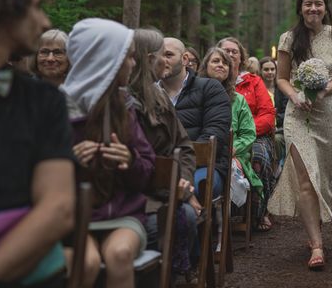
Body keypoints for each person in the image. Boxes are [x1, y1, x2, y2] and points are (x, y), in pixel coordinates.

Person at [0, 0, 74, 286]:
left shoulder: (43, 102)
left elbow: (58, 208)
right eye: (36, 7)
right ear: (5, 8)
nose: (44, 23)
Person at [63, 18, 156, 288]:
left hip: (123, 215)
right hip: (75, 214)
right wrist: (71, 162)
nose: (134, 63)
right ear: (106, 61)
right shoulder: (59, 111)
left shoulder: (124, 109)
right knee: (86, 261)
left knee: (120, 254)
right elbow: (36, 173)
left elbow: (147, 172)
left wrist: (130, 160)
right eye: (127, 56)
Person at [267, 0, 332, 270]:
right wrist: (295, 95)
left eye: (318, 4)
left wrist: (323, 90)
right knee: (305, 178)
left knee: (324, 178)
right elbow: (281, 78)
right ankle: (316, 245)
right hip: (298, 115)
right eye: (307, 4)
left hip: (329, 115)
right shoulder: (289, 38)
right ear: (300, 8)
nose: (313, 9)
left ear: (325, 7)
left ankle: (316, 222)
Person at [127, 28, 199, 280]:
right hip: (138, 196)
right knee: (167, 223)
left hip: (168, 191)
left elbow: (185, 146)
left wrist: (185, 181)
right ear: (148, 59)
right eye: (162, 55)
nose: (166, 61)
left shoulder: (159, 96)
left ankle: (169, 277)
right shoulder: (122, 100)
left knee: (187, 217)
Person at [159, 37, 231, 199]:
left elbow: (215, 135)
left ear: (185, 59)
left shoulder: (210, 88)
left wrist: (179, 165)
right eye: (158, 56)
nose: (162, 60)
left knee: (192, 187)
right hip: (159, 165)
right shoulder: (150, 92)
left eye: (168, 55)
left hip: (203, 166)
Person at [217, 37, 276, 232]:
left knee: (258, 157)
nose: (231, 54)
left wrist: (246, 129)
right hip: (221, 136)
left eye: (235, 51)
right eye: (226, 50)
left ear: (241, 56)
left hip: (256, 135)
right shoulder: (211, 80)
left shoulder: (253, 82)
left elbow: (268, 114)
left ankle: (259, 211)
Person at [199, 47, 263, 202]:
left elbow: (249, 134)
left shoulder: (238, 99)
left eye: (225, 63)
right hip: (200, 151)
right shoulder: (195, 94)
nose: (221, 65)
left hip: (233, 153)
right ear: (205, 66)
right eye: (215, 61)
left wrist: (233, 148)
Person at [259, 56, 289, 171]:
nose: (270, 72)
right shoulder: (257, 89)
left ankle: (276, 167)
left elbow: (285, 111)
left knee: (276, 139)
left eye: (272, 69)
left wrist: (274, 119)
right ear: (260, 71)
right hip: (260, 129)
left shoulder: (282, 89)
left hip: (279, 129)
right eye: (266, 69)